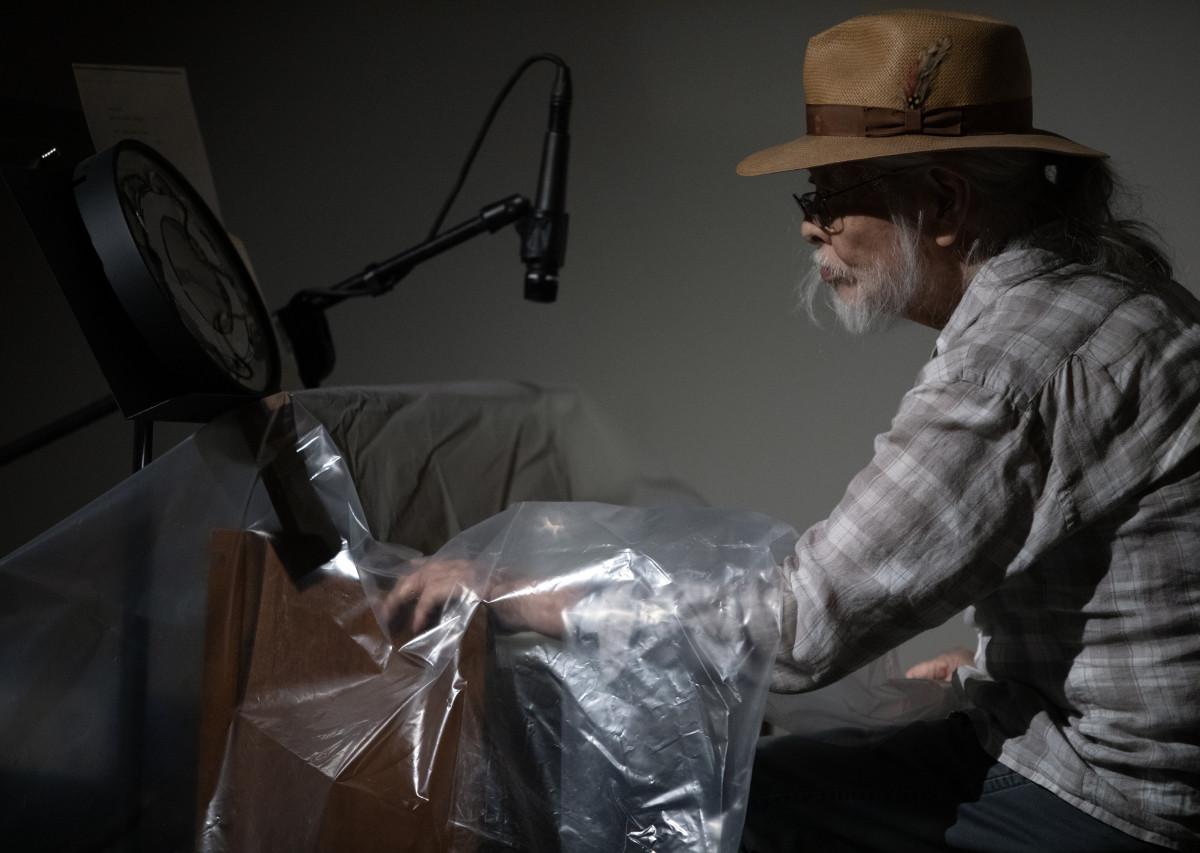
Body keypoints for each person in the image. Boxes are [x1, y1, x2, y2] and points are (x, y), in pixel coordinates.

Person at [388, 9, 1200, 851]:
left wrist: (531, 596)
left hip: (1114, 801)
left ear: (947, 202)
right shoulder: (1115, 299)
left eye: (831, 194)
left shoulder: (1010, 367)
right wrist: (995, 675)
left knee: (674, 821)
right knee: (731, 799)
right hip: (1076, 742)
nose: (811, 225)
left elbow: (801, 627)